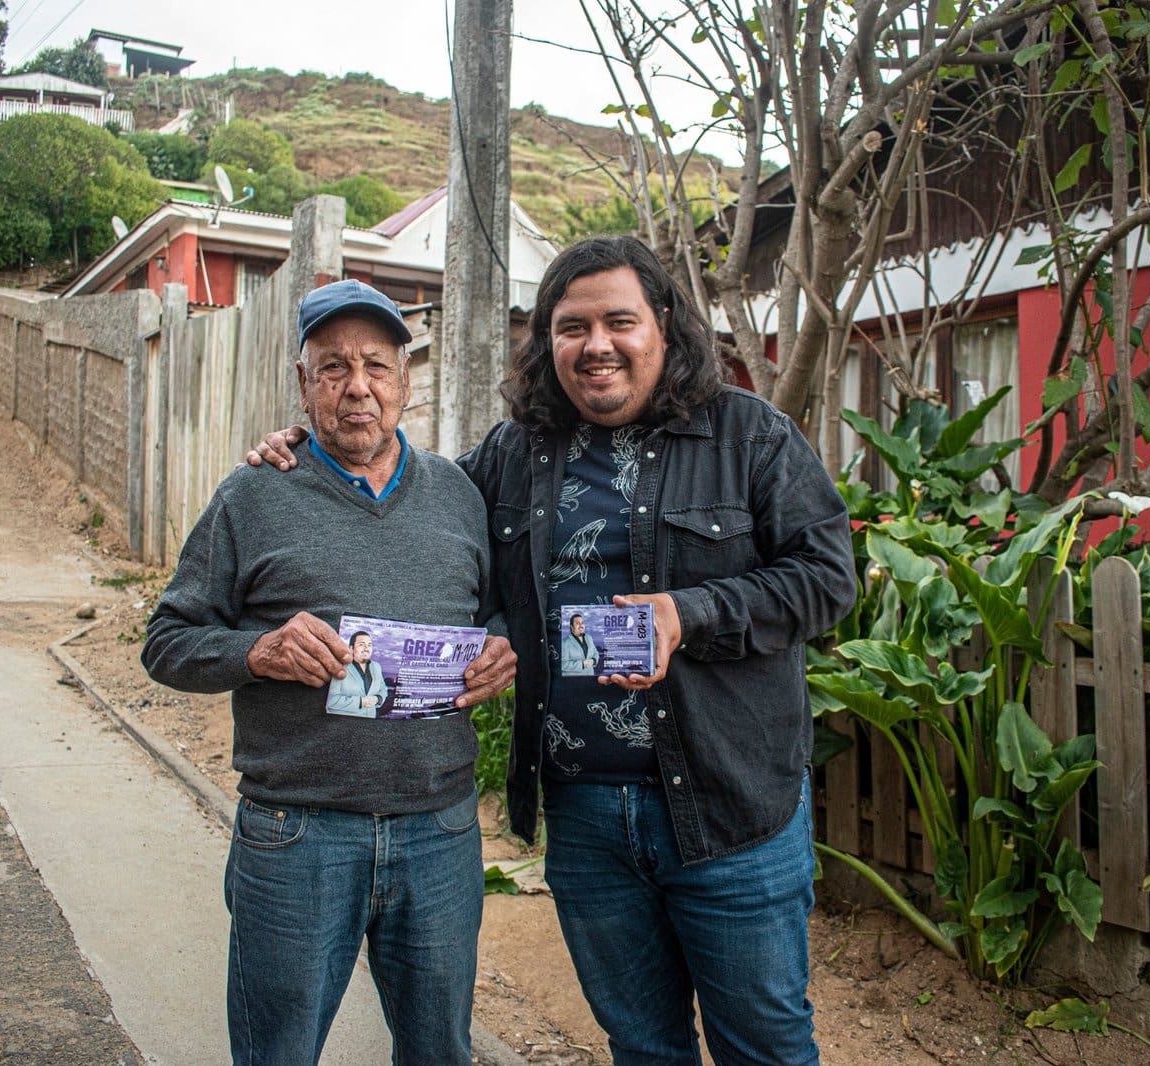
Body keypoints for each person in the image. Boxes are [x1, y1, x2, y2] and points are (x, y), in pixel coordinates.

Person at [251, 237, 856, 1066]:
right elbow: (414, 514)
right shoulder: (514, 454)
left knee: (768, 1048)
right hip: (586, 818)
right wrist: (315, 441)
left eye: (619, 321)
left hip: (730, 806)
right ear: (548, 341)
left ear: (664, 325)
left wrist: (691, 614)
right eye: (572, 327)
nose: (596, 345)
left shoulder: (749, 437)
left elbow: (827, 579)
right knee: (642, 1046)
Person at [143, 278, 516, 1066]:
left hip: (439, 831)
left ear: (407, 382)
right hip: (297, 833)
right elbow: (167, 640)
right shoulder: (254, 494)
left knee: (440, 1050)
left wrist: (499, 646)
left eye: (377, 366)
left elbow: (496, 612)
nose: (357, 388)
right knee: (277, 1052)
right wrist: (256, 651)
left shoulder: (459, 495)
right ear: (304, 383)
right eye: (333, 367)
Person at [325, 630, 388, 715]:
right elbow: (331, 701)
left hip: (370, 722)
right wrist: (361, 702)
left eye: (369, 645)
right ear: (351, 648)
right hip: (343, 723)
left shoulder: (377, 666)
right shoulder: (339, 667)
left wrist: (378, 699)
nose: (366, 648)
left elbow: (383, 689)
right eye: (361, 644)